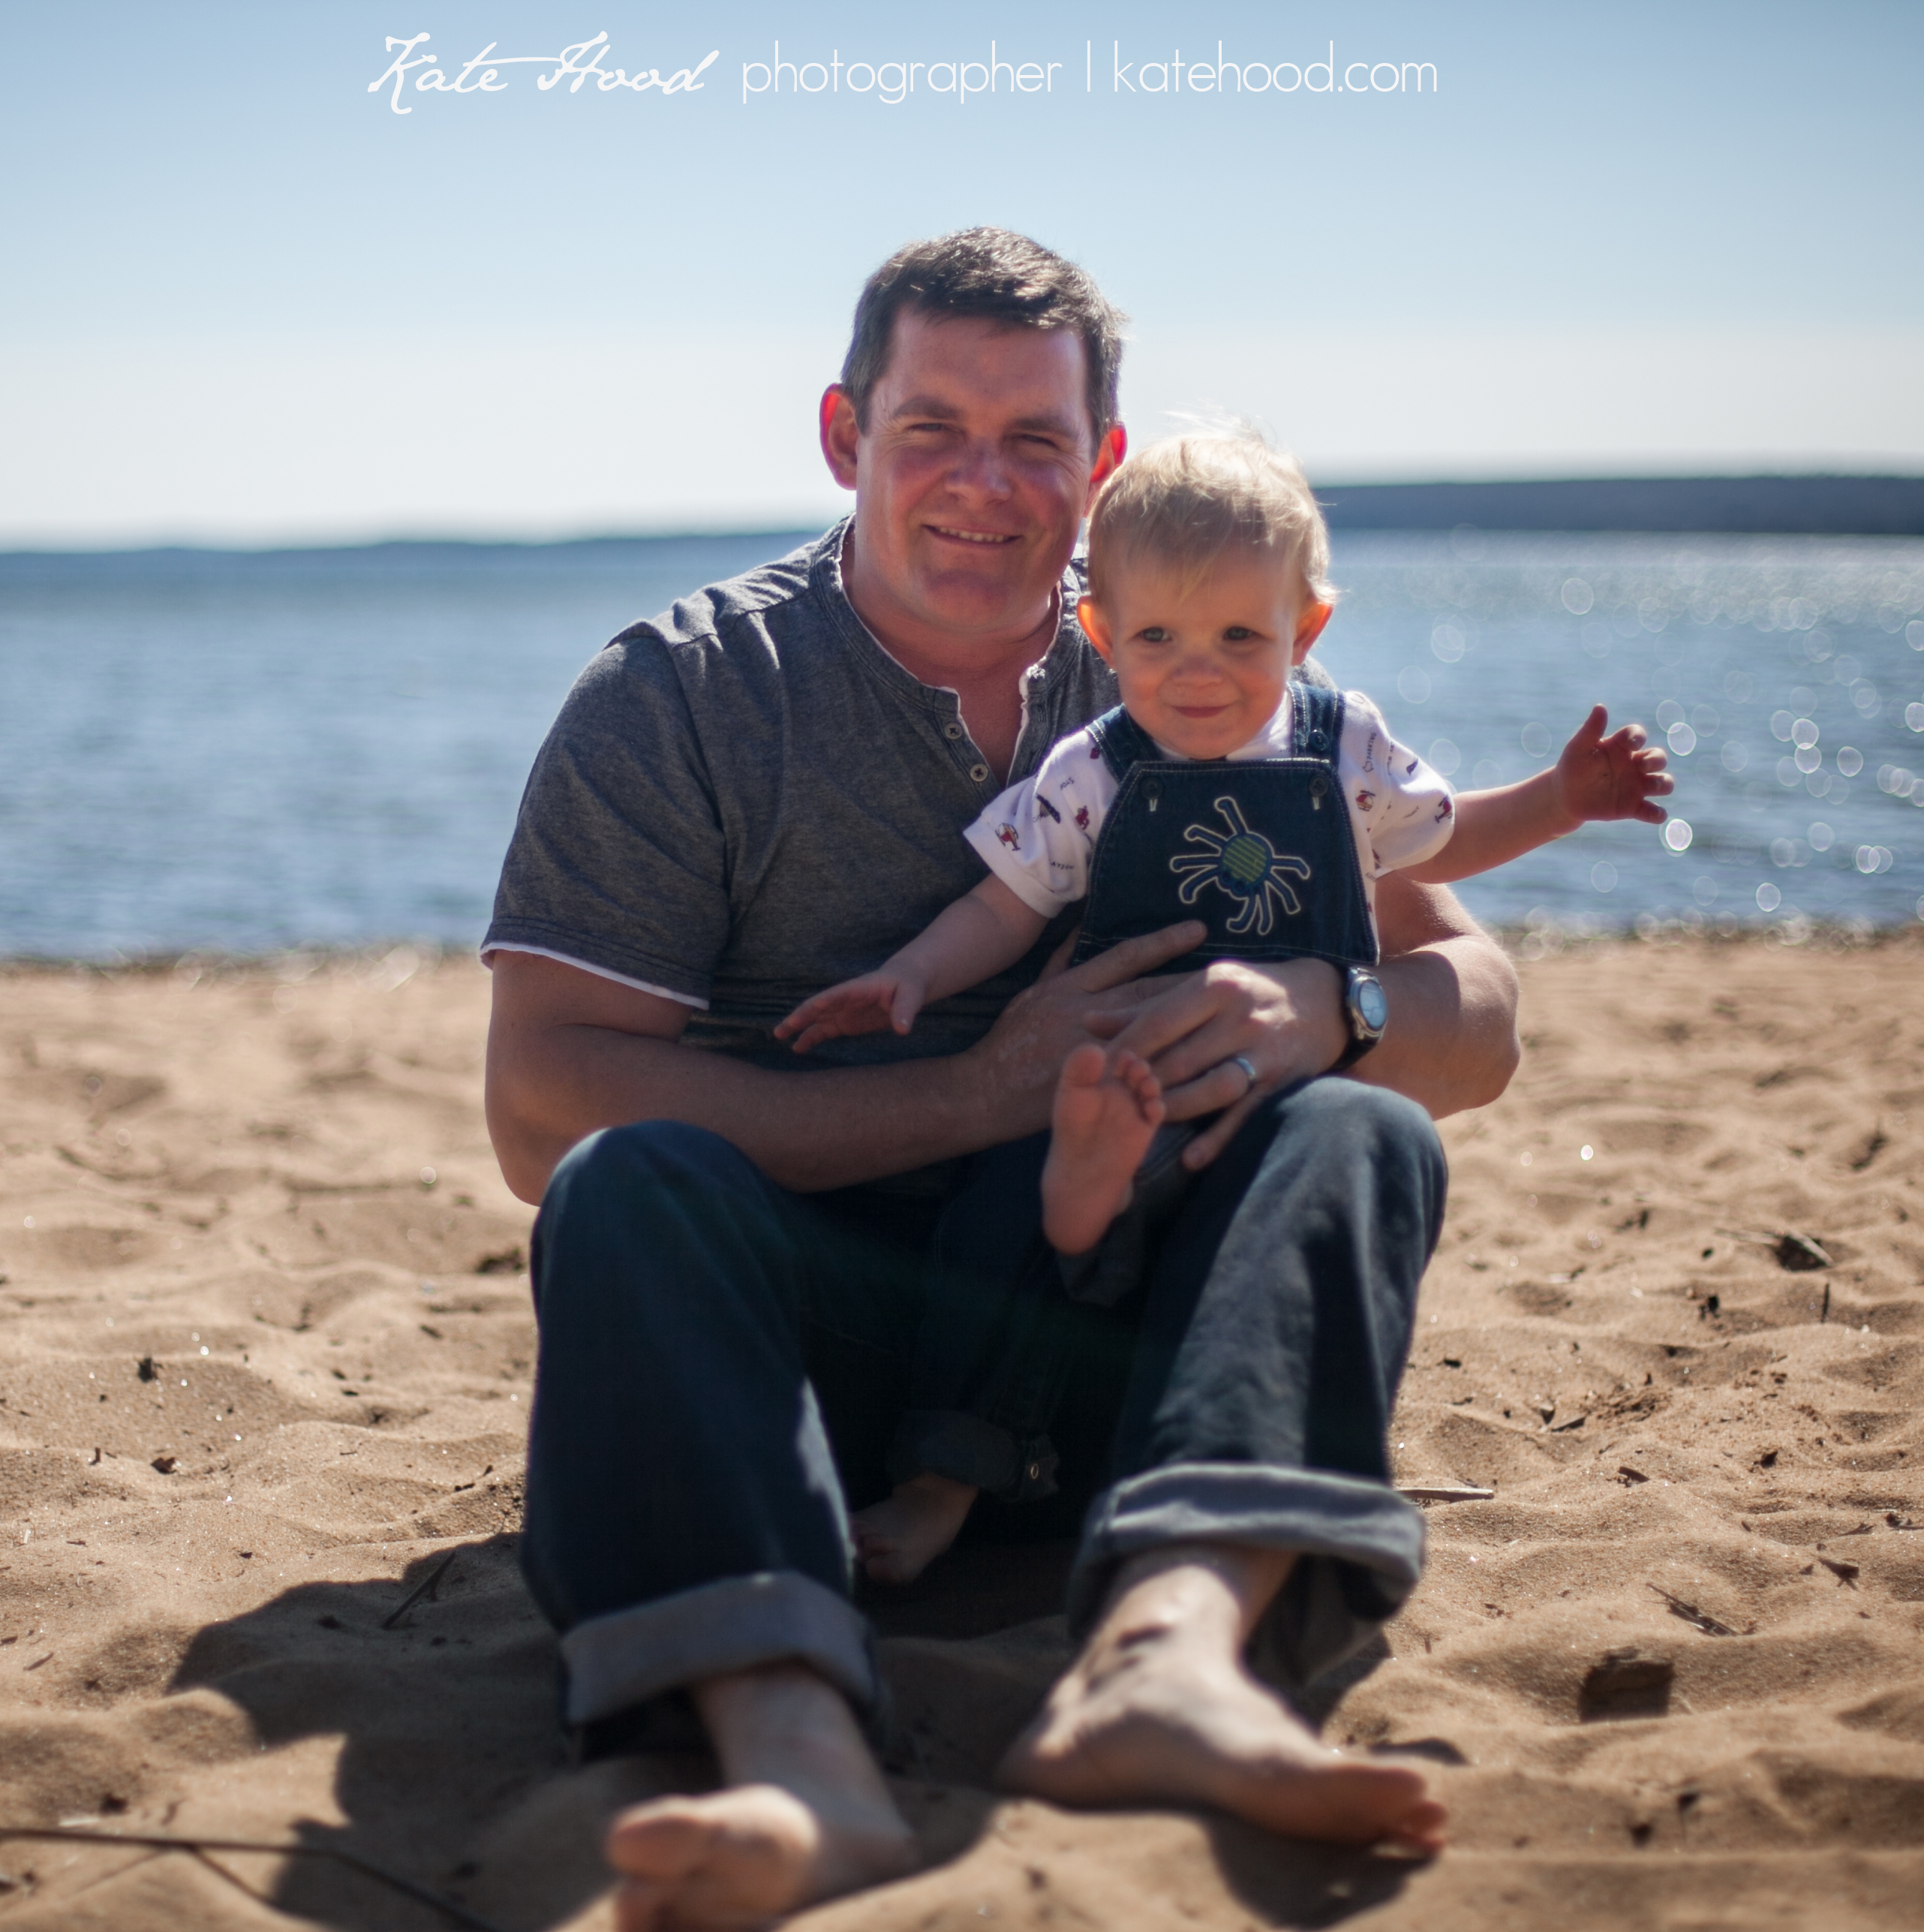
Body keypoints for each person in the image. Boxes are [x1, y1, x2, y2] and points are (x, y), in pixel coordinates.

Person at [483, 227, 1520, 1931]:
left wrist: (1321, 1008)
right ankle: (798, 1760)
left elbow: (1475, 1017)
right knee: (623, 1183)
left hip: (1116, 1350)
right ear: (844, 436)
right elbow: (537, 1104)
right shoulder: (685, 694)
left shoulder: (1206, 663)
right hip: (800, 1387)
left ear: (1098, 463)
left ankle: (1168, 1661)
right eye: (931, 430)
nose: (985, 482)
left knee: (1354, 1127)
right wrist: (981, 1092)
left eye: (1034, 438)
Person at [776, 429, 1672, 1586]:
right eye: (1156, 638)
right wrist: (909, 975)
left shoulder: (1341, 748)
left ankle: (1219, 1492)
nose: (1195, 672)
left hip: (1273, 1089)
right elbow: (1002, 905)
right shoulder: (1091, 770)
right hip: (1121, 1075)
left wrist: (1558, 797)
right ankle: (943, 1483)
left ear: (1305, 628)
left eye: (1239, 637)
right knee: (1003, 1219)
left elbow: (1439, 840)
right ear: (1102, 632)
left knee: (1293, 1204)